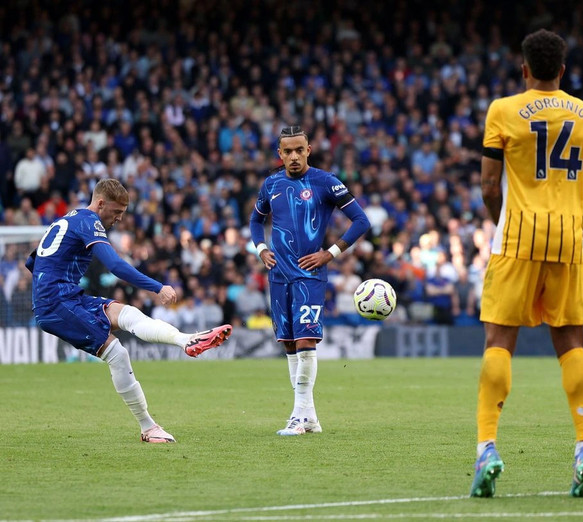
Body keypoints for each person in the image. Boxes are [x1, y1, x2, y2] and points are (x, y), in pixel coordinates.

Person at [470, 29, 583, 498]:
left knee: (499, 341)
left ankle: (487, 448)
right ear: (562, 70)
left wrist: (500, 220)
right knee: (571, 343)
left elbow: (489, 186)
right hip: (568, 239)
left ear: (524, 68)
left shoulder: (503, 110)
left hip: (517, 239)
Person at [26, 179, 232, 443]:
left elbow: (32, 260)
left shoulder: (68, 219)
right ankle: (148, 427)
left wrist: (50, 282)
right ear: (100, 204)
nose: (119, 219)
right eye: (116, 212)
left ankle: (186, 340)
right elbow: (114, 265)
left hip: (64, 296)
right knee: (118, 354)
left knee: (128, 313)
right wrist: (157, 287)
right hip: (56, 302)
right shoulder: (89, 221)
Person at [250, 126, 370, 436]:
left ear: (308, 150)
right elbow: (255, 220)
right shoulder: (271, 184)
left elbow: (361, 221)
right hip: (278, 276)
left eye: (298, 150)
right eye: (287, 151)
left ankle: (299, 416)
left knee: (305, 341)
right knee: (289, 344)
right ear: (279, 154)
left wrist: (330, 253)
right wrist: (261, 248)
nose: (293, 156)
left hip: (309, 275)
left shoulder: (325, 182)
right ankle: (309, 416)